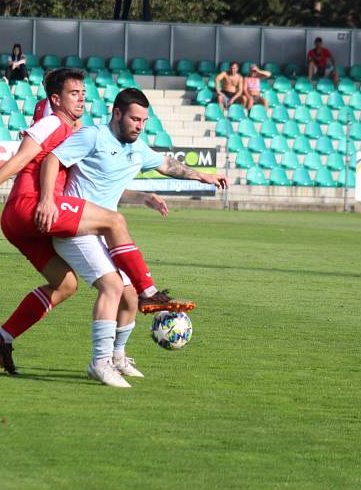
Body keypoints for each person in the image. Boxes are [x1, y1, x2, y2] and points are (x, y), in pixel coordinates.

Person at [0, 68, 193, 375]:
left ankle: (3, 337)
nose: (82, 99)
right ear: (56, 100)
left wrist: (140, 196)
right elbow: (20, 160)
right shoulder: (53, 122)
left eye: (83, 93)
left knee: (65, 285)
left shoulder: (74, 132)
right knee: (114, 239)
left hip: (29, 223)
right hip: (31, 208)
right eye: (74, 93)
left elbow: (100, 184)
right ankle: (146, 295)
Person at [37, 88, 227, 387]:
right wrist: (47, 199)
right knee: (112, 287)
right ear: (117, 114)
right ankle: (99, 363)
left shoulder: (138, 149)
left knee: (128, 295)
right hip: (74, 228)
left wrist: (201, 176)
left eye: (144, 121)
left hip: (103, 232)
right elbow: (52, 160)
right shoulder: (93, 136)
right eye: (134, 119)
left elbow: (169, 166)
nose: (139, 126)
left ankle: (116, 357)